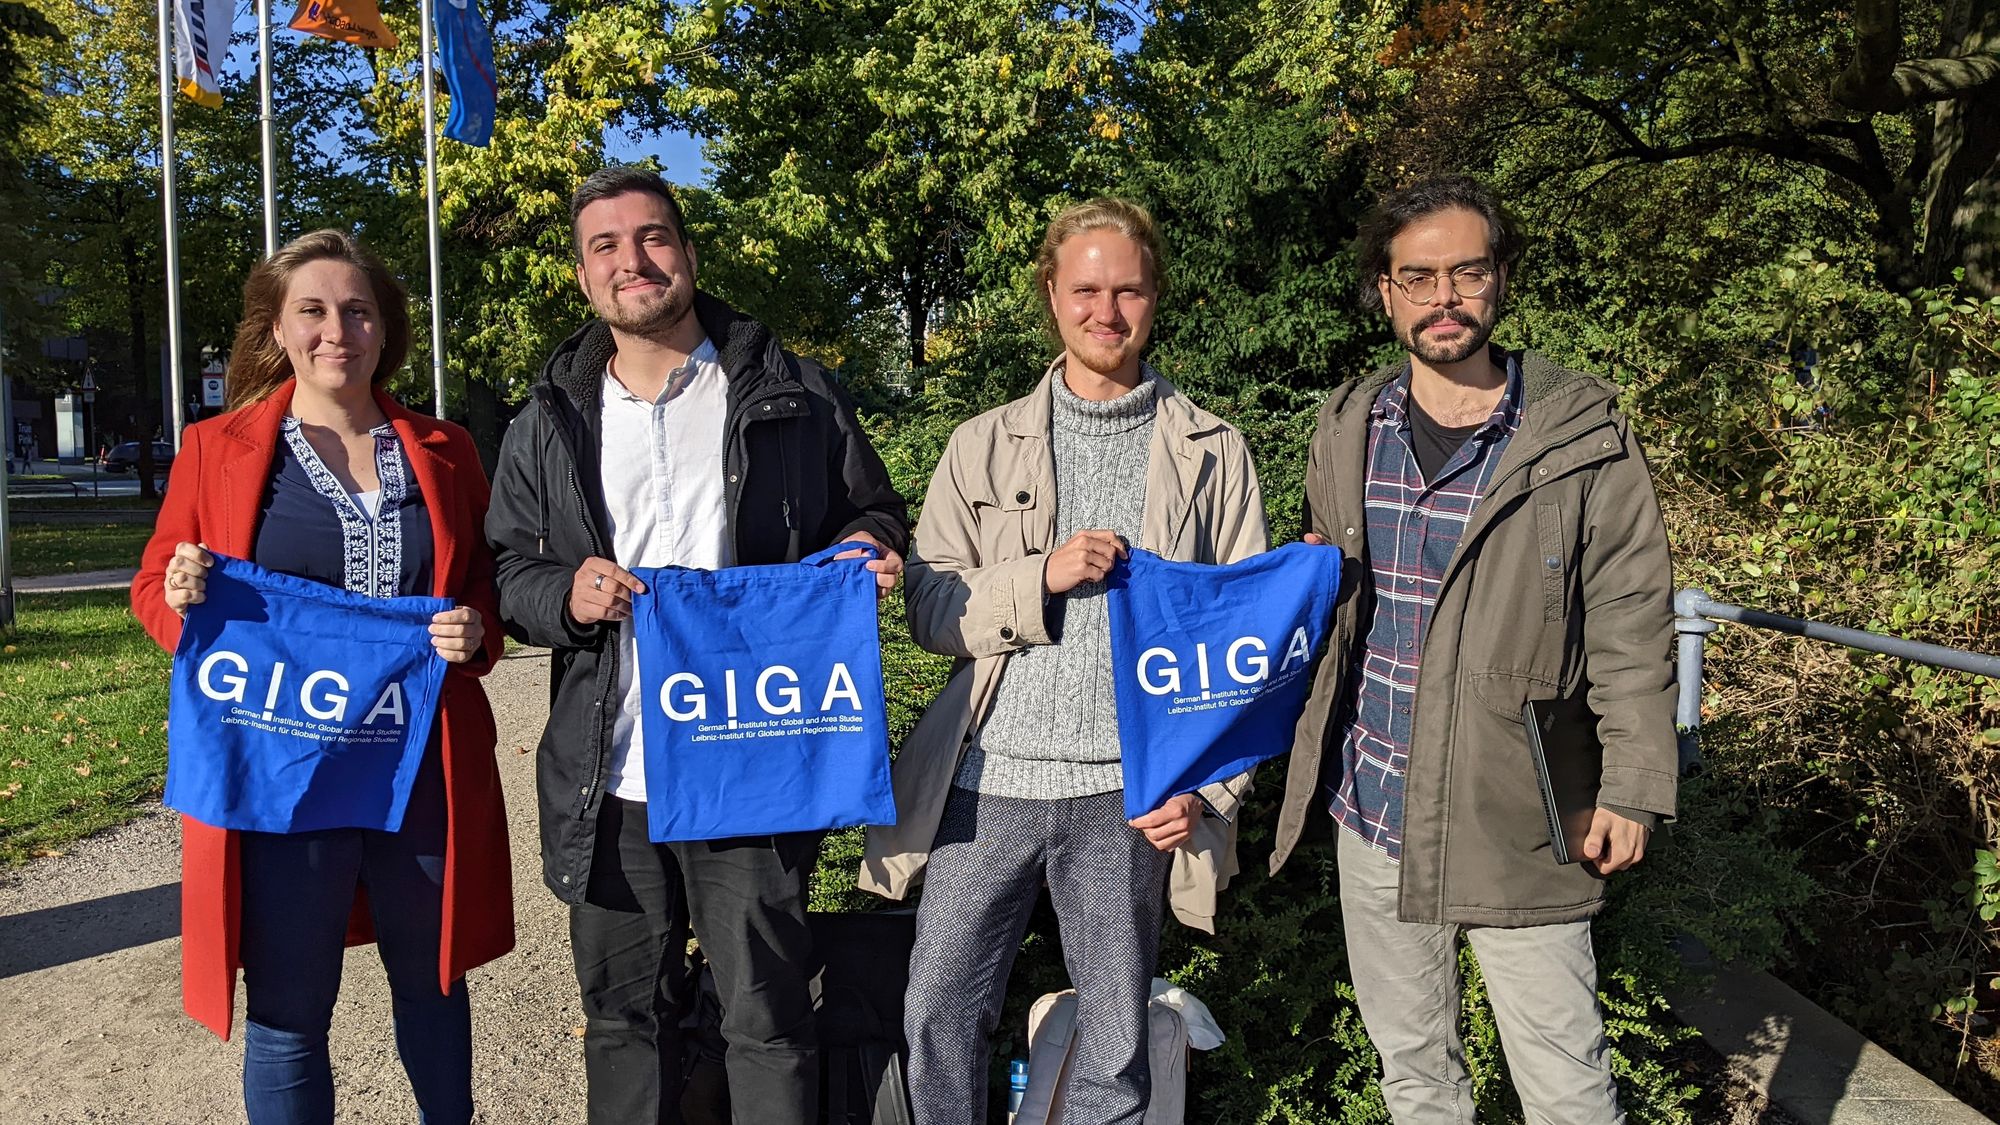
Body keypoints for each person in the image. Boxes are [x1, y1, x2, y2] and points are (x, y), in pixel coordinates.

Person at [485, 166, 910, 1124]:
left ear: (686, 250)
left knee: (765, 1017)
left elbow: (876, 512)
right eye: (606, 246)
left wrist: (866, 548)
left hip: (750, 757)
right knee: (623, 1020)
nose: (633, 260)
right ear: (584, 275)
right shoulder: (550, 415)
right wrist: (569, 590)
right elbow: (509, 569)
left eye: (652, 237)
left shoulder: (792, 390)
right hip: (613, 767)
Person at [1268, 176, 1678, 1123]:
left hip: (1519, 806)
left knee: (1569, 1084)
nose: (1443, 297)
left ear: (1500, 282)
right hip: (1370, 805)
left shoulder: (1578, 439)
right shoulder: (1344, 427)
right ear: (1385, 291)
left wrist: (1632, 785)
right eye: (1418, 277)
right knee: (1416, 1077)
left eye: (1467, 272)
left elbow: (1629, 616)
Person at [860, 198, 1267, 1124]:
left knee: (1115, 1037)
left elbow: (1249, 649)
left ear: (1156, 298)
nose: (1106, 312)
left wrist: (1206, 791)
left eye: (1127, 291)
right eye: (1085, 289)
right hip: (986, 779)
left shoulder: (1214, 453)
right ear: (1052, 293)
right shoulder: (980, 442)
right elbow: (928, 606)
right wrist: (1038, 575)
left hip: (1133, 794)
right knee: (936, 1013)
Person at [130, 229, 515, 1125]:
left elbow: (489, 588)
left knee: (433, 986)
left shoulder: (445, 448)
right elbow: (155, 583)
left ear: (386, 329)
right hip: (282, 768)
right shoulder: (215, 448)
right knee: (290, 1011)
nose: (336, 328)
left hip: (417, 767)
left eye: (357, 310)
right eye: (313, 309)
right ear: (278, 327)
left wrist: (476, 630)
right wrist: (182, 600)